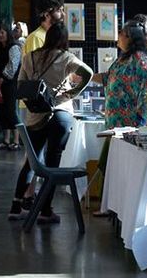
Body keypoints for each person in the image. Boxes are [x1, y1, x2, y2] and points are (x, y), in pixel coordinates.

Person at [9, 16, 92, 222]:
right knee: (53, 164)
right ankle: (45, 210)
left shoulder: (30, 57)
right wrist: (71, 93)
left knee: (31, 161)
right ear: (64, 39)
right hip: (61, 114)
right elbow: (87, 73)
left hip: (36, 115)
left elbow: (21, 85)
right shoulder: (66, 58)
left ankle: (16, 206)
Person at [103, 19, 147, 129]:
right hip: (114, 124)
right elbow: (107, 77)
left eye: (121, 32)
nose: (118, 35)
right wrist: (85, 77)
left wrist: (144, 121)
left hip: (130, 126)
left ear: (129, 38)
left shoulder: (141, 61)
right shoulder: (122, 60)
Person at [0, 24, 26, 148]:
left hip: (10, 84)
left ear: (7, 34)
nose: (0, 35)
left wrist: (3, 78)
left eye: (2, 33)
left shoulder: (14, 47)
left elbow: (13, 65)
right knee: (2, 111)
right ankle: (6, 140)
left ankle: (16, 140)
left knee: (11, 111)